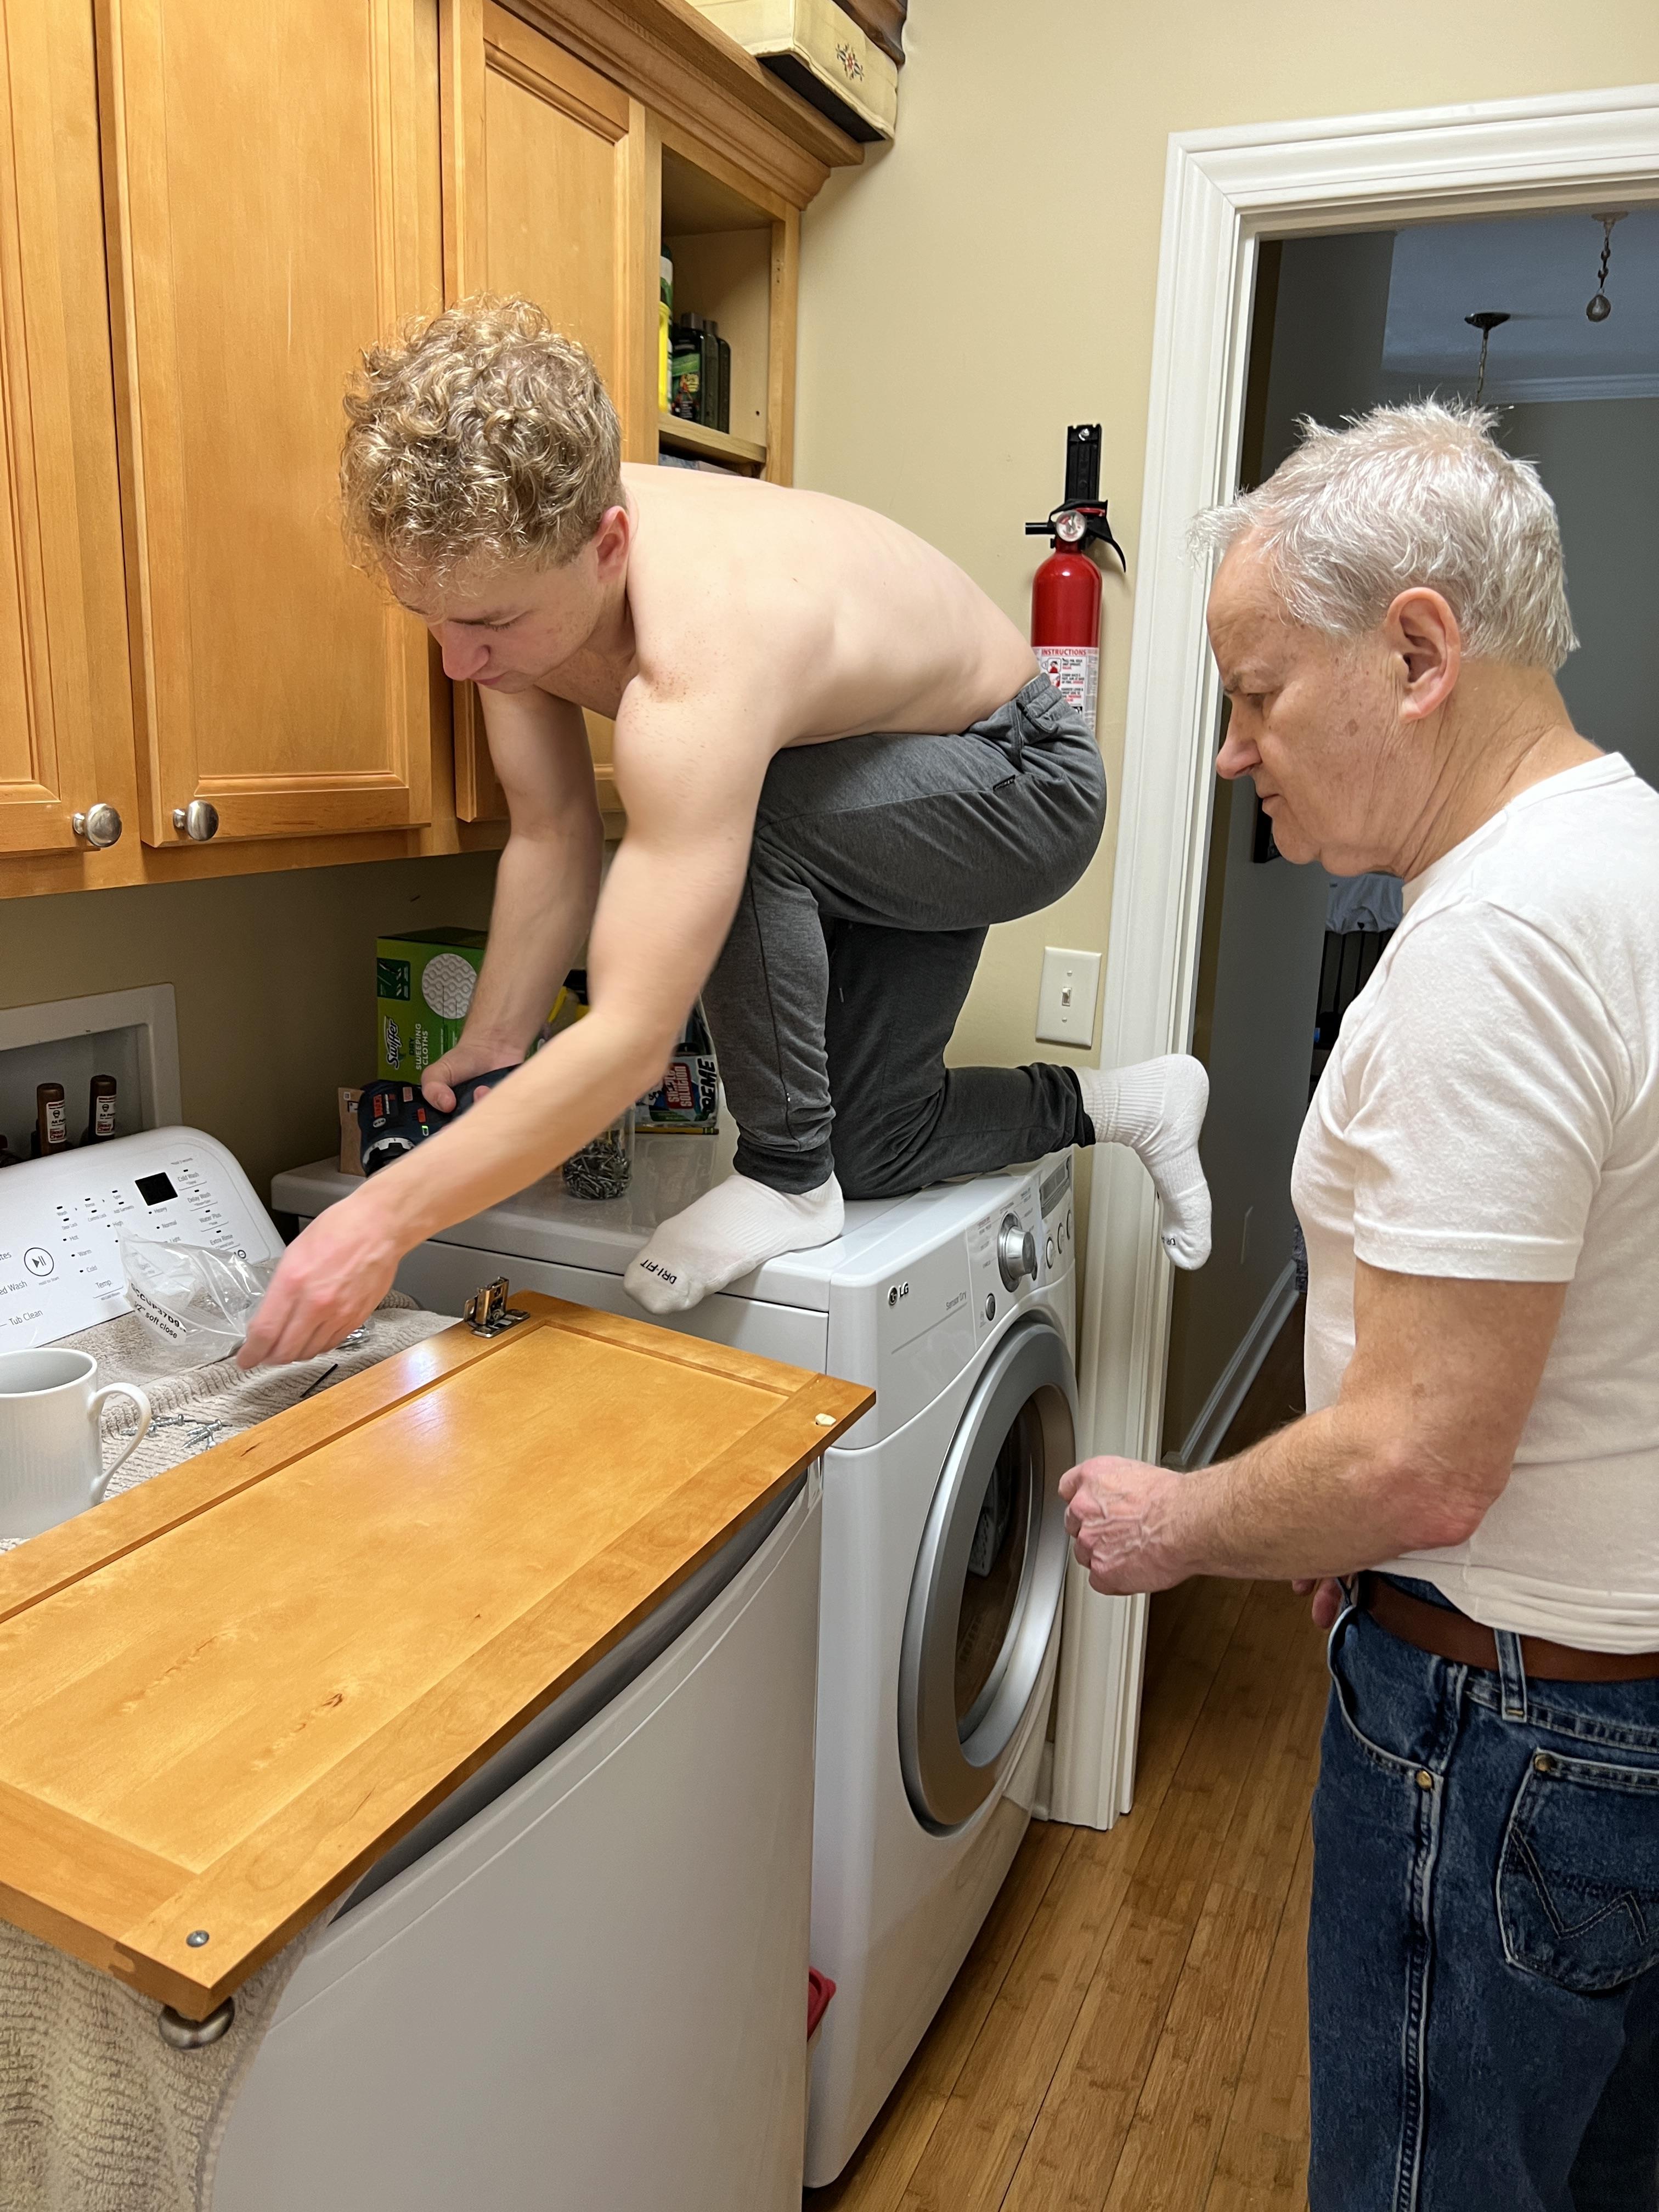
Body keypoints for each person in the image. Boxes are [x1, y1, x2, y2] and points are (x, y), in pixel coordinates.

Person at [1060, 402, 1659, 2210]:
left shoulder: (1491, 946)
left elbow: (1417, 1463)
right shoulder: (1621, 856)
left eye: (1255, 690)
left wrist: (1178, 1519)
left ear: (1414, 652)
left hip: (1508, 1749)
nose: (1236, 749)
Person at [240, 297, 1210, 1365]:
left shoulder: (704, 645)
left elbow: (633, 1036)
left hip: (1024, 780)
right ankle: (1127, 1104)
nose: (454, 663)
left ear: (608, 546)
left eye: (485, 626)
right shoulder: (515, 578)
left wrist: (379, 1222)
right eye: (430, 618)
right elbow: (553, 832)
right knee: (877, 1144)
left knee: (757, 818)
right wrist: (494, 1046)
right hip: (892, 786)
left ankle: (788, 1184)